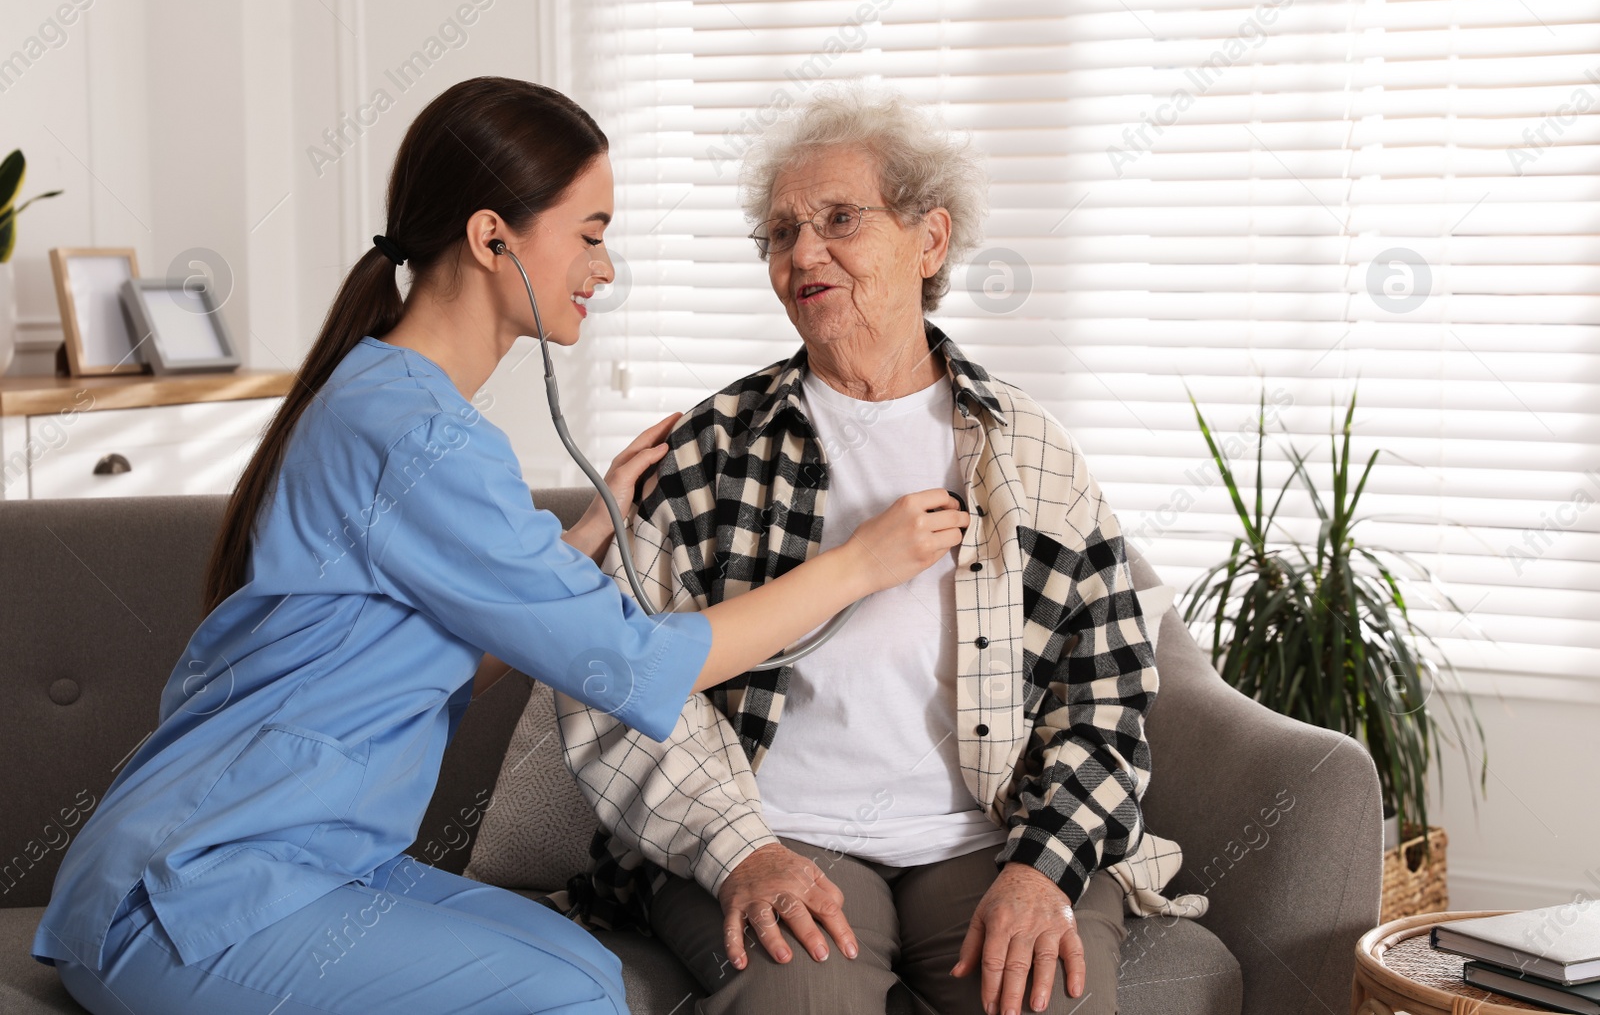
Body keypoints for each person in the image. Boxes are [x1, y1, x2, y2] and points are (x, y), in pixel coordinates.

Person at [30, 76, 967, 1015]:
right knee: (574, 1000)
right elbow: (637, 660)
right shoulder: (415, 434)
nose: (603, 271)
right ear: (492, 239)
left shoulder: (391, 402)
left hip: (304, 862)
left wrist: (584, 535)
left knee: (595, 973)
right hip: (188, 895)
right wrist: (856, 565)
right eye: (591, 233)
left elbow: (421, 660)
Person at [556, 85, 1183, 1015]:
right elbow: (616, 689)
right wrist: (741, 851)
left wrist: (1043, 868)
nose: (803, 252)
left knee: (1045, 997)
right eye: (780, 233)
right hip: (772, 828)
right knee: (800, 1000)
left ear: (929, 241)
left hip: (983, 836)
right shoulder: (708, 452)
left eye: (839, 219)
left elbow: (1107, 692)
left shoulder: (1027, 452)